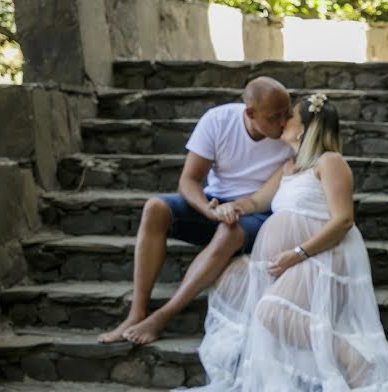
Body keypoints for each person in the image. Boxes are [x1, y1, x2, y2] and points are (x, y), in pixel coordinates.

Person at [171, 93, 388, 392]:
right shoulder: (287, 166)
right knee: (231, 281)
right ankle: (297, 373)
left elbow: (343, 219)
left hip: (324, 257)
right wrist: (233, 207)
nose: (283, 120)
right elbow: (257, 202)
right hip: (292, 262)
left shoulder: (330, 162)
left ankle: (355, 361)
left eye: (290, 116)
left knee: (271, 312)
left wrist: (299, 253)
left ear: (304, 128)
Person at [98, 77, 294, 345]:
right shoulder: (218, 120)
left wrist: (233, 211)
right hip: (215, 204)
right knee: (155, 208)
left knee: (229, 229)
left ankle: (163, 316)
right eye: (275, 117)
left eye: (288, 113)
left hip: (258, 214)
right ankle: (137, 312)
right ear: (250, 113)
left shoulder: (292, 135)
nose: (284, 123)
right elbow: (188, 181)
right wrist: (207, 209)